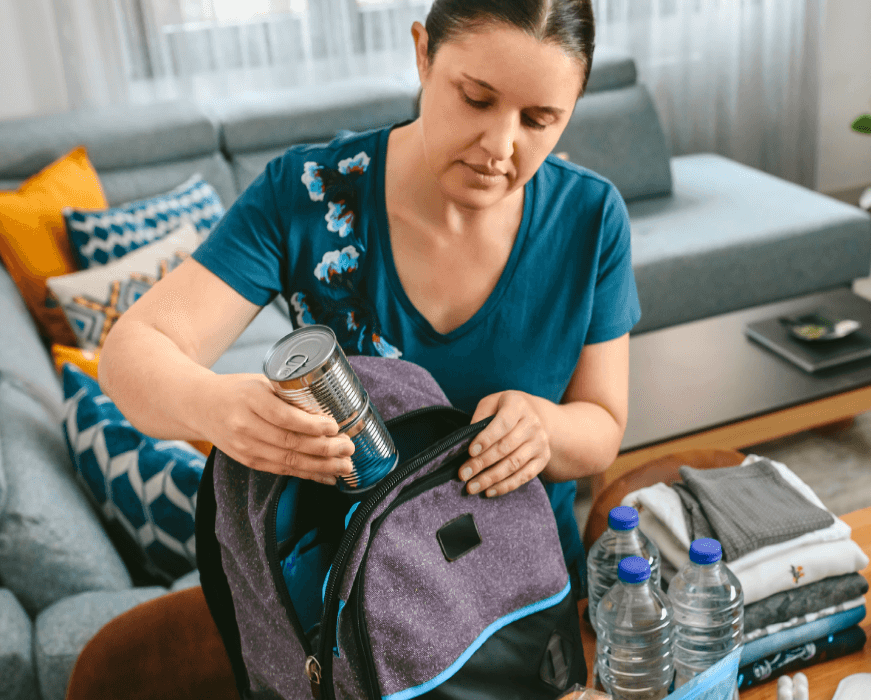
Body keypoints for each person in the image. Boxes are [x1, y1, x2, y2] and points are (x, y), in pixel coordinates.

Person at [101, 0, 637, 585]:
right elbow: (132, 351)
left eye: (538, 120)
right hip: (358, 611)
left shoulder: (591, 217)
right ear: (423, 54)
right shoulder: (305, 195)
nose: (499, 146)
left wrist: (544, 427)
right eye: (476, 99)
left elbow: (603, 425)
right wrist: (215, 407)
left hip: (528, 595)